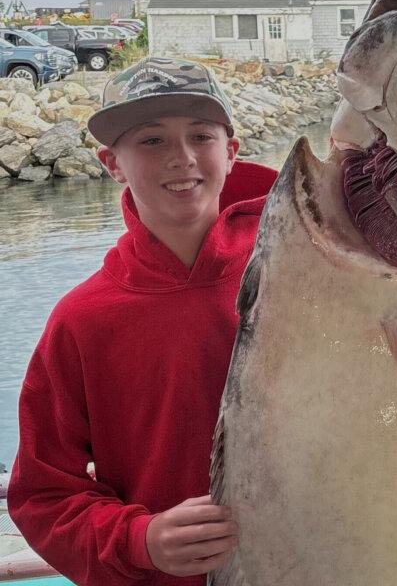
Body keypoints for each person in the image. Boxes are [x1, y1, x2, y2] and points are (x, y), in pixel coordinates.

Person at [8, 57, 278, 585]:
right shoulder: (83, 320)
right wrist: (140, 540)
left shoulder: (304, 275)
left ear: (231, 151)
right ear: (112, 163)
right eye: (151, 141)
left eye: (200, 135)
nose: (182, 158)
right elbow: (41, 495)